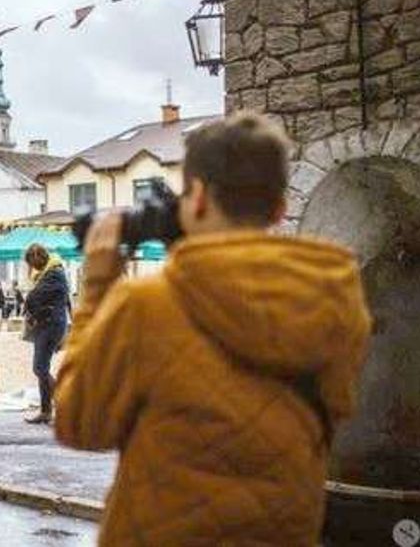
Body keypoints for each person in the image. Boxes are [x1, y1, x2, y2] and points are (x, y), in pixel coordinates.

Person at [54, 113, 371, 545]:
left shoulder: (148, 306)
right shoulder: (337, 300)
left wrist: (96, 289)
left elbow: (79, 425)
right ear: (279, 208)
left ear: (198, 196)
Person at [22, 245, 70, 424]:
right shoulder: (48, 273)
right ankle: (46, 411)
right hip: (47, 324)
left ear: (38, 258)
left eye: (32, 263)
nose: (33, 268)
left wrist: (29, 300)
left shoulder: (54, 274)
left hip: (51, 325)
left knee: (40, 368)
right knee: (42, 368)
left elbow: (33, 298)